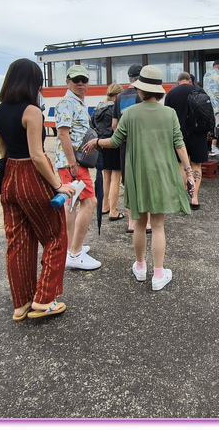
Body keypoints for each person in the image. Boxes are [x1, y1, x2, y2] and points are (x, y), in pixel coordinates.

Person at [83, 65, 192, 291]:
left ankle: (141, 268)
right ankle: (159, 275)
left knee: (140, 224)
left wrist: (96, 142)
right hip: (162, 174)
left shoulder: (130, 113)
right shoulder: (169, 113)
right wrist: (189, 171)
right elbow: (179, 144)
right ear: (159, 91)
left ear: (140, 90)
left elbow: (114, 142)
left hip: (136, 175)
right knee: (158, 225)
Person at [0, 59, 76, 322]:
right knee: (55, 236)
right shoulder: (32, 111)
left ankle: (21, 303)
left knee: (18, 242)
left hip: (9, 176)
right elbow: (38, 156)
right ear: (34, 83)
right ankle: (44, 299)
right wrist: (58, 184)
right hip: (32, 176)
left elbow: (3, 152)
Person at [55, 65, 101, 270]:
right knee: (90, 202)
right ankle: (75, 252)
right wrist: (73, 163)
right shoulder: (67, 103)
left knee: (72, 205)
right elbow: (63, 134)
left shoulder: (77, 102)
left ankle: (71, 247)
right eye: (76, 80)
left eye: (84, 80)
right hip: (74, 163)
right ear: (68, 82)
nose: (81, 83)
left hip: (71, 163)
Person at [112, 64, 150, 233]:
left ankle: (131, 223)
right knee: (144, 182)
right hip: (141, 146)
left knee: (128, 184)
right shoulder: (143, 95)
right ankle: (147, 222)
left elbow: (114, 125)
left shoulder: (119, 97)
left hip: (124, 145)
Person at [164, 71, 208, 210]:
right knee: (196, 165)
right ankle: (194, 198)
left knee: (181, 164)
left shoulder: (171, 94)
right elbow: (208, 111)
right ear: (190, 80)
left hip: (178, 134)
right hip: (198, 133)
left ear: (178, 82)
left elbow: (167, 115)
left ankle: (183, 195)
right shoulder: (199, 90)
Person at [92, 83, 124, 221]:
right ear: (117, 95)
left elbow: (92, 124)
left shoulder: (98, 107)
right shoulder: (115, 109)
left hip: (101, 145)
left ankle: (104, 205)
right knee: (116, 179)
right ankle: (113, 210)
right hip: (114, 145)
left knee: (106, 177)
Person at [203, 59, 219, 156]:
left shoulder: (206, 75)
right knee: (218, 125)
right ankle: (214, 148)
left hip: (207, 105)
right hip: (217, 105)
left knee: (209, 125)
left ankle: (207, 147)